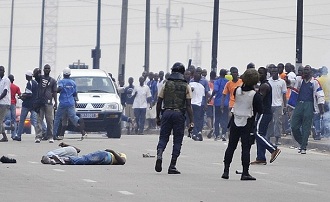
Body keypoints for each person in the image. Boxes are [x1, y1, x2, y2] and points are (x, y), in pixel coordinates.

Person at [221, 68, 262, 180]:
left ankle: (226, 170)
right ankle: (245, 172)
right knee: (245, 148)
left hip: (235, 120)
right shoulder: (255, 95)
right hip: (247, 122)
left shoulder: (237, 90)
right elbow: (260, 110)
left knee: (231, 146)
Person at [155, 62, 194, 174]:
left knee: (163, 137)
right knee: (177, 140)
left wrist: (158, 117)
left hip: (166, 113)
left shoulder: (166, 84)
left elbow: (159, 102)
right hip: (178, 114)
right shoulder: (186, 86)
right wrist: (191, 121)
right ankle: (172, 165)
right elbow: (188, 106)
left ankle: (159, 154)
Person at [291, 65, 325, 154]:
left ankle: (303, 147)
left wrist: (321, 108)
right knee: (294, 126)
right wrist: (290, 106)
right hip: (299, 104)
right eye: (304, 70)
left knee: (306, 127)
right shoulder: (299, 80)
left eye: (307, 70)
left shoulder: (315, 82)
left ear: (311, 72)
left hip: (309, 104)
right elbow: (293, 89)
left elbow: (320, 95)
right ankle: (303, 142)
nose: (305, 72)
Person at [250, 66, 281, 165]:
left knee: (257, 133)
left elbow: (259, 100)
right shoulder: (263, 85)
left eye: (261, 73)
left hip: (264, 112)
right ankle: (261, 157)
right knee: (261, 134)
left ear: (266, 74)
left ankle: (273, 149)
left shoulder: (265, 86)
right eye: (258, 73)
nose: (259, 75)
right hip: (264, 112)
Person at [53, 68, 85, 140]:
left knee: (57, 118)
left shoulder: (61, 81)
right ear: (69, 74)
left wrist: (54, 91)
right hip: (71, 102)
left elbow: (60, 88)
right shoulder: (73, 83)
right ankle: (79, 120)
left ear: (63, 74)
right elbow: (75, 93)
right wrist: (76, 101)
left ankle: (54, 134)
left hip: (63, 103)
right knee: (73, 117)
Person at [34, 64, 57, 143]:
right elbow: (35, 75)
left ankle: (50, 136)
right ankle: (38, 136)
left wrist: (56, 102)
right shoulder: (40, 78)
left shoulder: (53, 81)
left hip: (49, 102)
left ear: (50, 70)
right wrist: (37, 70)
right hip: (40, 102)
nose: (47, 70)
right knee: (39, 120)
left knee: (49, 120)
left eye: (48, 68)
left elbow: (54, 92)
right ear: (43, 70)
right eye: (45, 68)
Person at [13, 71, 38, 141]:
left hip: (27, 105)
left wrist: (22, 96)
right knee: (34, 121)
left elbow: (29, 94)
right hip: (33, 105)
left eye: (26, 75)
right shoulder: (35, 83)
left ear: (28, 76)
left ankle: (18, 135)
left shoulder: (29, 83)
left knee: (22, 121)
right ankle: (39, 135)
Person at [267, 65, 287, 145]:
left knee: (278, 122)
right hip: (269, 104)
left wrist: (284, 106)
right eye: (273, 72)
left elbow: (284, 94)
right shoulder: (268, 81)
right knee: (269, 122)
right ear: (271, 73)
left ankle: (277, 139)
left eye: (275, 71)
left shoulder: (282, 82)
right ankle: (268, 138)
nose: (274, 73)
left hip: (278, 105)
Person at [209, 69, 229, 141]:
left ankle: (217, 135)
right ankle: (223, 134)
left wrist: (210, 98)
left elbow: (215, 90)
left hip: (217, 102)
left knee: (217, 119)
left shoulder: (216, 81)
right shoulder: (227, 82)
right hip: (226, 103)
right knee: (225, 119)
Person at [53, 149, 127, 165]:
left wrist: (112, 151)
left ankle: (64, 160)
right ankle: (65, 160)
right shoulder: (116, 154)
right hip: (104, 155)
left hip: (106, 157)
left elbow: (122, 161)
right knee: (86, 159)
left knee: (86, 159)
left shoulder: (122, 155)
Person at [7, 74, 21, 139]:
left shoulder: (6, 86)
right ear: (13, 80)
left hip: (6, 103)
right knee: (14, 120)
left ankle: (5, 130)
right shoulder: (16, 87)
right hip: (13, 103)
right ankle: (13, 134)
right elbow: (19, 95)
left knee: (6, 119)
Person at [0, 66, 11, 142]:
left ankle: (4, 136)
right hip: (0, 102)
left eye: (1, 70)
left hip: (4, 103)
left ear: (4, 71)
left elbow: (5, 92)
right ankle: (4, 136)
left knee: (0, 120)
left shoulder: (6, 80)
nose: (0, 71)